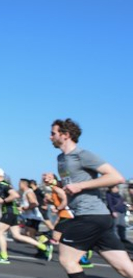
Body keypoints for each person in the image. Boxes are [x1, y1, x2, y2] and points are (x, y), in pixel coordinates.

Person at [50, 118, 133, 277]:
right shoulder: (61, 159)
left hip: (90, 216)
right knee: (125, 268)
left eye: (53, 133)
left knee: (67, 260)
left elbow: (116, 177)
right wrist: (54, 182)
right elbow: (71, 184)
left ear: (65, 135)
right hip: (98, 217)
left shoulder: (83, 155)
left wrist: (80, 186)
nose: (50, 137)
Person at [0, 168, 52, 264]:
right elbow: (3, 199)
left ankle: (4, 256)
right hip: (12, 212)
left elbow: (15, 195)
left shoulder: (3, 185)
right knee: (17, 235)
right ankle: (43, 247)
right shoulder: (2, 185)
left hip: (9, 212)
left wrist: (4, 201)